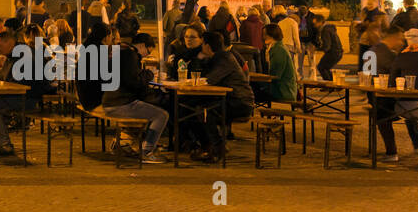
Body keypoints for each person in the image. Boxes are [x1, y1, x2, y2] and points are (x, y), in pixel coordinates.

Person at [0, 29, 54, 156]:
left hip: (28, 98)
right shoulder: (14, 55)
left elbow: (20, 83)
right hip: (18, 94)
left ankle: (5, 145)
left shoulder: (23, 56)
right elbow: (6, 79)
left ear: (9, 42)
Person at [184, 32, 254, 162]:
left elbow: (210, 79)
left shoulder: (224, 58)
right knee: (190, 109)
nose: (201, 47)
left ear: (208, 46)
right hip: (226, 99)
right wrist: (199, 60)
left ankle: (218, 150)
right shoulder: (216, 58)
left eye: (203, 44)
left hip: (239, 102)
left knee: (205, 112)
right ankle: (208, 147)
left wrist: (199, 62)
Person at [101, 32, 168, 162]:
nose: (146, 55)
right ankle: (146, 151)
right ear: (142, 46)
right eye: (148, 51)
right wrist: (149, 74)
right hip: (120, 103)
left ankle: (121, 143)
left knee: (147, 109)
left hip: (110, 100)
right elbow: (134, 82)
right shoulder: (131, 55)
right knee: (161, 115)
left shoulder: (121, 52)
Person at [377, 28, 418, 162]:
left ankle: (391, 153)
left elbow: (391, 82)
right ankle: (417, 147)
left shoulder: (401, 56)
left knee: (381, 113)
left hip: (406, 107)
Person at [255, 25, 298, 105]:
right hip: (281, 88)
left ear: (271, 34)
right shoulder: (275, 48)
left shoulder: (279, 50)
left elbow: (275, 75)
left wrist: (260, 81)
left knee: (252, 92)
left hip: (283, 91)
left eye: (264, 34)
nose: (263, 37)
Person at [309, 12, 342, 79]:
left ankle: (330, 85)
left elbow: (327, 46)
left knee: (322, 67)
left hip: (334, 52)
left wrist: (316, 49)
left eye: (315, 24)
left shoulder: (326, 30)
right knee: (325, 68)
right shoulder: (328, 29)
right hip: (336, 52)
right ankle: (332, 84)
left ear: (320, 22)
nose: (314, 26)